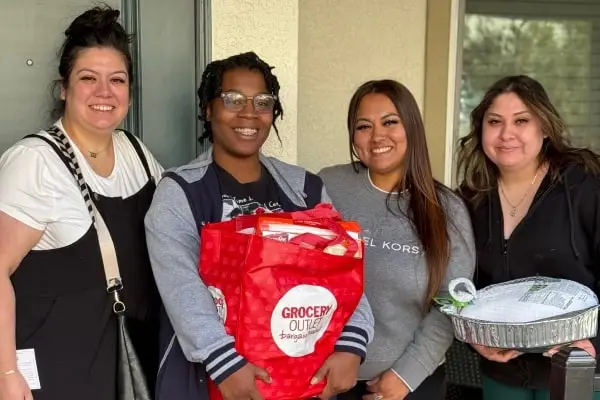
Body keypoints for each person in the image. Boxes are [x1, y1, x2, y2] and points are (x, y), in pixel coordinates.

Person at [145, 51, 375, 400]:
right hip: (211, 382)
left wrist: (352, 343)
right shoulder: (181, 191)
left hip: (300, 380)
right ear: (209, 109)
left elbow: (342, 268)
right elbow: (181, 287)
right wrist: (223, 362)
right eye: (233, 99)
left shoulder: (306, 189)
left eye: (262, 101)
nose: (249, 112)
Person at [0, 6, 163, 400]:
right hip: (56, 371)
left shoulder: (135, 153)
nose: (104, 92)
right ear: (64, 87)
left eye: (117, 80)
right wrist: (6, 373)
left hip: (127, 365)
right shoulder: (34, 162)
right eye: (88, 78)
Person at [319, 79, 476, 400]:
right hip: (326, 380)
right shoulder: (327, 186)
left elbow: (455, 301)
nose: (377, 136)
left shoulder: (446, 209)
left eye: (390, 122)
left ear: (412, 128)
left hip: (410, 385)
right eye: (364, 126)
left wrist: (406, 376)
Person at [456, 74, 600, 400]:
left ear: (545, 128)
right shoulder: (469, 199)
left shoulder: (584, 186)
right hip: (503, 371)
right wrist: (472, 335)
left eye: (521, 120)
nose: (507, 133)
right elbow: (451, 281)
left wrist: (596, 342)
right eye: (495, 122)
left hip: (576, 367)